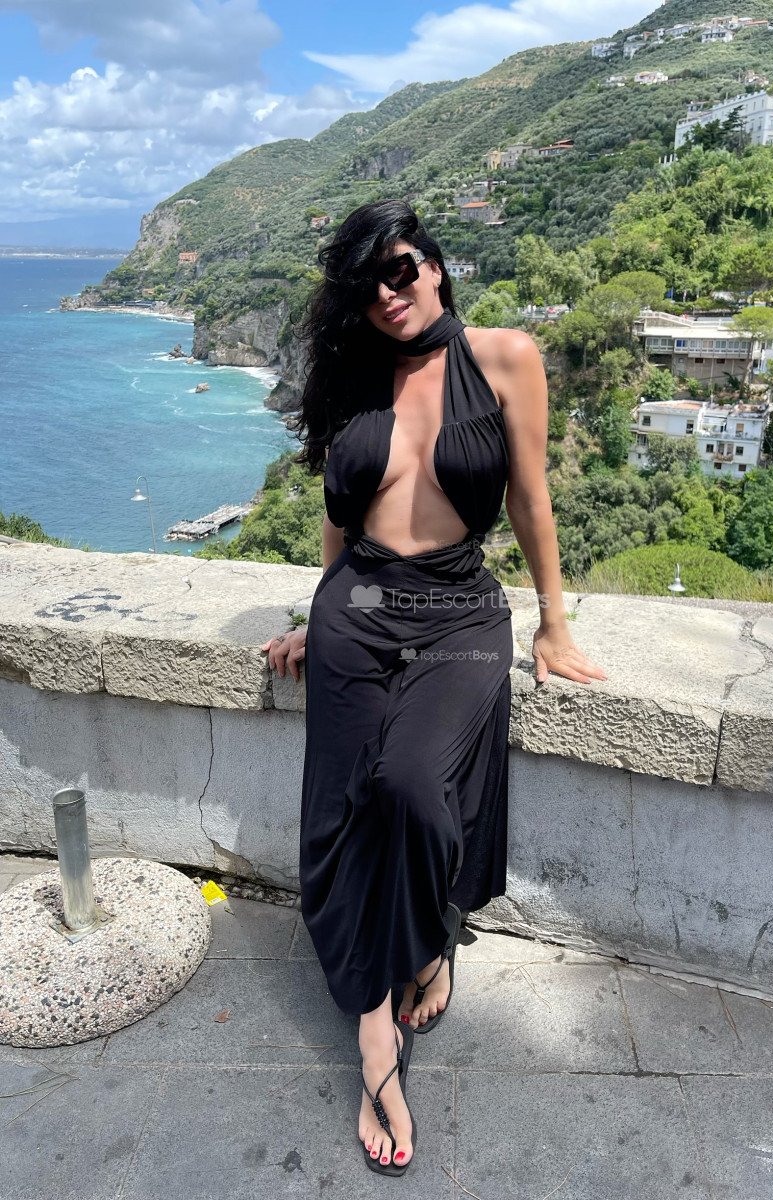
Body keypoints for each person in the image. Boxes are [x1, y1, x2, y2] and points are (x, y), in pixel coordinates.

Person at [261, 199, 607, 1177]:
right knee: (344, 806)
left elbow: (530, 496)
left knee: (413, 786)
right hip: (356, 610)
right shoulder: (353, 374)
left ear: (435, 265)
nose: (388, 292)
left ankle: (425, 940)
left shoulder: (504, 358)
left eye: (400, 268)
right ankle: (375, 1037)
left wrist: (552, 620)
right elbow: (341, 513)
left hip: (457, 614)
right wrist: (317, 607)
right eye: (367, 282)